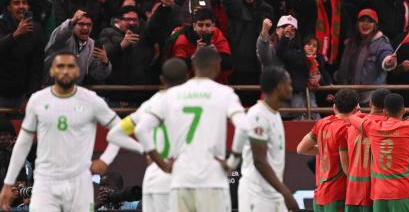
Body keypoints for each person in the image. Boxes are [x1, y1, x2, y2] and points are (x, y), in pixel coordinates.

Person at [0, 51, 124, 211]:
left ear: (78, 71)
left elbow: (120, 128)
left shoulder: (91, 100)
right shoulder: (37, 100)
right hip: (45, 182)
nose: (65, 70)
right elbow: (23, 143)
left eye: (70, 66)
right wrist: (8, 183)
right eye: (60, 66)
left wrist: (105, 159)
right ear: (51, 71)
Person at [135, 46, 250, 212]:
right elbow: (244, 127)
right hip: (212, 179)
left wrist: (162, 164)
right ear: (217, 65)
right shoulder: (225, 93)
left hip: (181, 179)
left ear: (193, 65)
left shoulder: (172, 94)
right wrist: (233, 162)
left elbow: (141, 129)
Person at [105, 58, 189, 212]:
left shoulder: (150, 105)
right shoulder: (195, 104)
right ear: (187, 79)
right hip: (182, 180)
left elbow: (114, 134)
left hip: (153, 181)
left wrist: (146, 151)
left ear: (162, 79)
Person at [238, 67, 299, 212]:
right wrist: (285, 192)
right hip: (256, 194)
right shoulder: (257, 115)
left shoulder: (275, 114)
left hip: (273, 194)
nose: (291, 88)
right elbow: (259, 161)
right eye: (288, 84)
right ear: (278, 87)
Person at [296, 89, 360, 212]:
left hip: (320, 196)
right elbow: (347, 170)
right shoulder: (346, 129)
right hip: (338, 196)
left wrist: (326, 149)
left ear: (334, 107)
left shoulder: (322, 123)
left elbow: (301, 148)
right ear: (356, 109)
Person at [336, 9, 395, 104]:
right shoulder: (351, 43)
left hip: (373, 99)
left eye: (370, 21)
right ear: (357, 23)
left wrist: (388, 61)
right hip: (350, 98)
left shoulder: (381, 42)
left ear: (375, 25)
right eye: (362, 20)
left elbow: (386, 54)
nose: (365, 24)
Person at [344, 88, 389, 212]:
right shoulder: (391, 127)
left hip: (353, 191)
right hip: (377, 192)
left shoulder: (351, 125)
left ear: (370, 103)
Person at [0, 0, 45, 108]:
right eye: (16, 3)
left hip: (22, 94)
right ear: (8, 8)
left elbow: (37, 67)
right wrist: (15, 34)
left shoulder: (36, 29)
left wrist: (31, 96)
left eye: (24, 3)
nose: (21, 6)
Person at [44, 9, 111, 85]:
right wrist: (71, 21)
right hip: (50, 87)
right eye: (81, 24)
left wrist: (105, 63)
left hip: (72, 90)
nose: (85, 28)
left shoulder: (92, 45)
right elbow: (59, 35)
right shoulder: (64, 38)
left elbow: (98, 75)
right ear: (74, 25)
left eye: (89, 25)